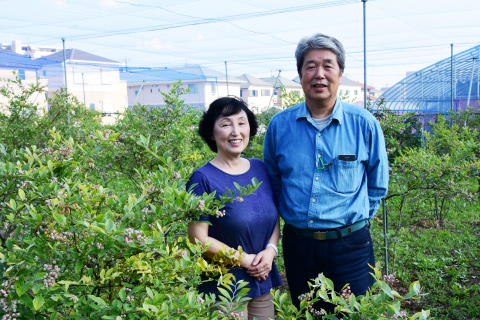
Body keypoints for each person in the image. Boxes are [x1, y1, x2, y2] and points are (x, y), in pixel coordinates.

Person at [263, 33, 389, 314]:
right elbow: (274, 180)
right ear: (300, 74)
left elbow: (377, 185)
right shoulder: (279, 126)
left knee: (352, 313)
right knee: (307, 313)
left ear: (340, 73)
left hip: (351, 247)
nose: (319, 74)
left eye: (328, 66)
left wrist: (351, 224)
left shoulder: (364, 125)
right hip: (299, 246)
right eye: (310, 66)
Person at [187, 96, 282, 320]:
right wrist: (244, 260)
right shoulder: (202, 179)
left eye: (241, 122)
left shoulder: (260, 168)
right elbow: (197, 238)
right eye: (225, 124)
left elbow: (273, 218)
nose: (235, 131)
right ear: (211, 133)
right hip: (225, 289)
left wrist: (270, 251)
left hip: (262, 280)